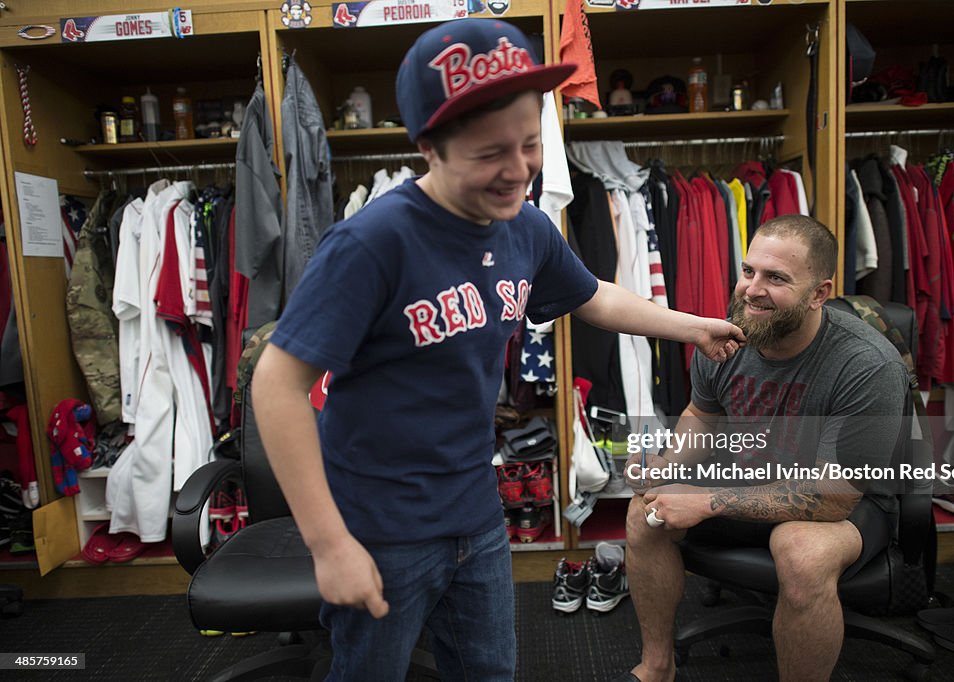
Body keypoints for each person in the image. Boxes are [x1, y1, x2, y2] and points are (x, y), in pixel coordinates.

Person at [251, 19, 744, 681]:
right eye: (490, 154)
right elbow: (276, 385)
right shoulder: (371, 244)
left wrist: (691, 326)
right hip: (380, 530)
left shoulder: (526, 228)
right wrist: (328, 543)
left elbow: (592, 294)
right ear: (429, 147)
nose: (518, 171)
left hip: (478, 519)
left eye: (531, 144)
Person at [620, 214, 910, 682]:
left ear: (819, 292)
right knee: (643, 513)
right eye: (748, 271)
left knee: (800, 551)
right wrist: (665, 466)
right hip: (746, 483)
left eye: (776, 278)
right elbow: (702, 416)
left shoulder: (865, 365)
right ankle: (657, 666)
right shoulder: (726, 338)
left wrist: (706, 502)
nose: (752, 290)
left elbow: (835, 494)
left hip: (843, 503)